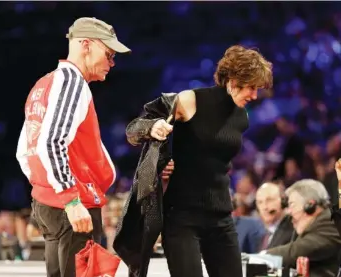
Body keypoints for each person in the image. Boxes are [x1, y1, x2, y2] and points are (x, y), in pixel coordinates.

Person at [121, 45, 273, 277]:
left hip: (221, 216)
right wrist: (153, 127)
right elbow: (133, 130)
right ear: (232, 80)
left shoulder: (241, 116)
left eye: (257, 89)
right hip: (182, 218)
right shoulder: (190, 100)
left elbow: (215, 162)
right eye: (251, 87)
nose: (254, 95)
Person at [16, 17, 130, 277]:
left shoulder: (42, 85)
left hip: (50, 205)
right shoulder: (71, 83)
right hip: (73, 206)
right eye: (109, 54)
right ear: (86, 45)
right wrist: (70, 199)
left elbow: (25, 150)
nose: (112, 63)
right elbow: (51, 142)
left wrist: (44, 188)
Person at [265, 179, 341, 277]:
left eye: (292, 204)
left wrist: (263, 256)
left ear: (310, 205)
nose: (289, 212)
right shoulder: (314, 224)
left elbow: (297, 251)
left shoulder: (331, 222)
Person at [255, 182, 295, 250]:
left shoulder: (293, 229)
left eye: (269, 200)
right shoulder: (263, 233)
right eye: (260, 202)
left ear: (283, 202)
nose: (264, 207)